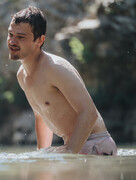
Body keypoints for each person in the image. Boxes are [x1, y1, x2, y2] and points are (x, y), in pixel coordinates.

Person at [7, 6, 117, 155]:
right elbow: (42, 117)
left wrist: (69, 153)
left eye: (20, 37)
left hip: (95, 143)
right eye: (10, 34)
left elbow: (89, 113)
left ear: (40, 41)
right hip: (75, 146)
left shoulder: (55, 68)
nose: (12, 41)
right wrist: (41, 155)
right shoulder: (22, 75)